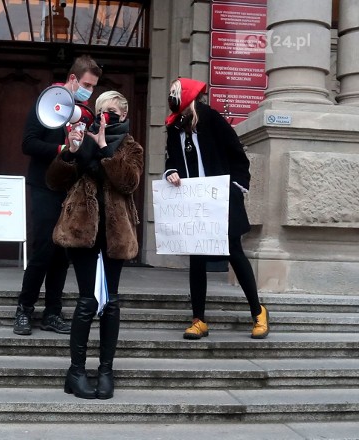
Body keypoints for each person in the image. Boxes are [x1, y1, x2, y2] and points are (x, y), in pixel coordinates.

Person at [46, 91, 143, 399]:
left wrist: (104, 149)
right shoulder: (81, 139)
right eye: (102, 112)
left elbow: (128, 183)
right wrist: (71, 152)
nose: (106, 117)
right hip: (83, 230)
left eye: (113, 112)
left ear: (124, 116)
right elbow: (53, 181)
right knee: (88, 301)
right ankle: (75, 372)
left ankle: (105, 371)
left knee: (110, 302)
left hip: (115, 234)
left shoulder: (131, 147)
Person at [163, 77, 269, 340]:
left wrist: (235, 188)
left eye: (175, 93)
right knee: (197, 259)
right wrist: (171, 172)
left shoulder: (211, 119)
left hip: (221, 199)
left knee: (234, 252)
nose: (172, 98)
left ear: (188, 96)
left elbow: (237, 155)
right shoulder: (176, 127)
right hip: (194, 202)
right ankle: (198, 319)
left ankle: (258, 312)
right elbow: (171, 159)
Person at [13, 55, 102, 336]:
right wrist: (62, 149)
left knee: (63, 253)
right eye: (87, 84)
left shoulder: (83, 113)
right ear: (73, 79)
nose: (90, 90)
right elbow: (28, 144)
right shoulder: (47, 102)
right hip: (43, 186)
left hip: (70, 189)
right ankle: (24, 309)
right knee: (43, 250)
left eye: (94, 86)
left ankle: (53, 312)